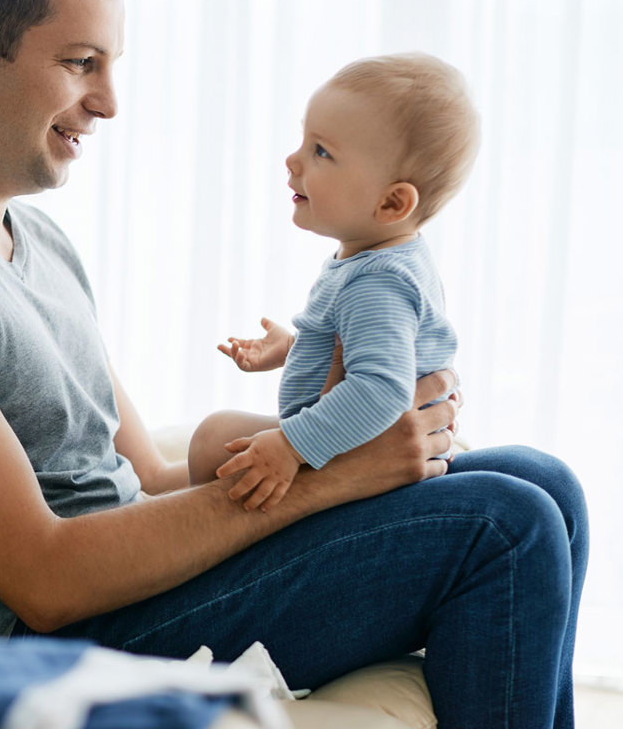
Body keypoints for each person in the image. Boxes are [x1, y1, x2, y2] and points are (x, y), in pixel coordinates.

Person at [0, 0, 586, 728]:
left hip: (135, 585)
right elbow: (42, 579)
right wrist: (331, 474)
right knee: (505, 525)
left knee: (544, 482)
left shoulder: (38, 240)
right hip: (35, 641)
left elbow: (149, 479)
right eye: (82, 63)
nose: (111, 102)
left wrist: (322, 430)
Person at [187, 53, 475, 513]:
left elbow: (382, 389)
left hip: (371, 466)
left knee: (211, 444)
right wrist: (296, 348)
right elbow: (360, 348)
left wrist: (292, 446)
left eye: (321, 152)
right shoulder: (383, 256)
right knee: (214, 439)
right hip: (360, 446)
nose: (292, 159)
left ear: (392, 202)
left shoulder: (378, 282)